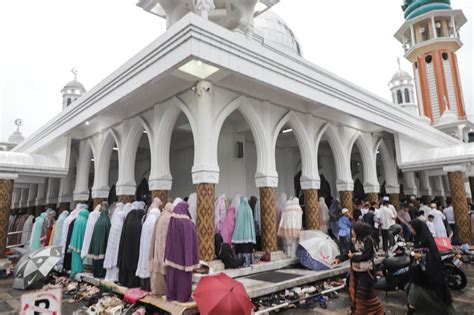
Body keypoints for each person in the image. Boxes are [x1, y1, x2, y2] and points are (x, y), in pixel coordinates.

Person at [334, 222, 384, 315]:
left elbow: (367, 255)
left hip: (367, 272)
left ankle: (371, 311)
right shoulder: (354, 240)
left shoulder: (368, 240)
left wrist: (353, 257)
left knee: (365, 295)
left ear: (358, 231)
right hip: (356, 272)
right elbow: (348, 252)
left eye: (353, 230)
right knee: (355, 292)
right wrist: (339, 259)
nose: (352, 231)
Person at [407, 219, 454, 314]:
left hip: (430, 278)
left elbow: (433, 257)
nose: (411, 230)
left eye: (412, 228)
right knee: (413, 298)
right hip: (419, 277)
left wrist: (421, 256)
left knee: (437, 303)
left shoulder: (427, 240)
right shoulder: (417, 238)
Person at [164, 202, 199, 302]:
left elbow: (168, 239)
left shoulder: (172, 220)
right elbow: (190, 241)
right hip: (183, 258)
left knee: (172, 276)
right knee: (182, 279)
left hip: (172, 256)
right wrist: (190, 260)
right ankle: (181, 296)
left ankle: (171, 295)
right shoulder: (187, 223)